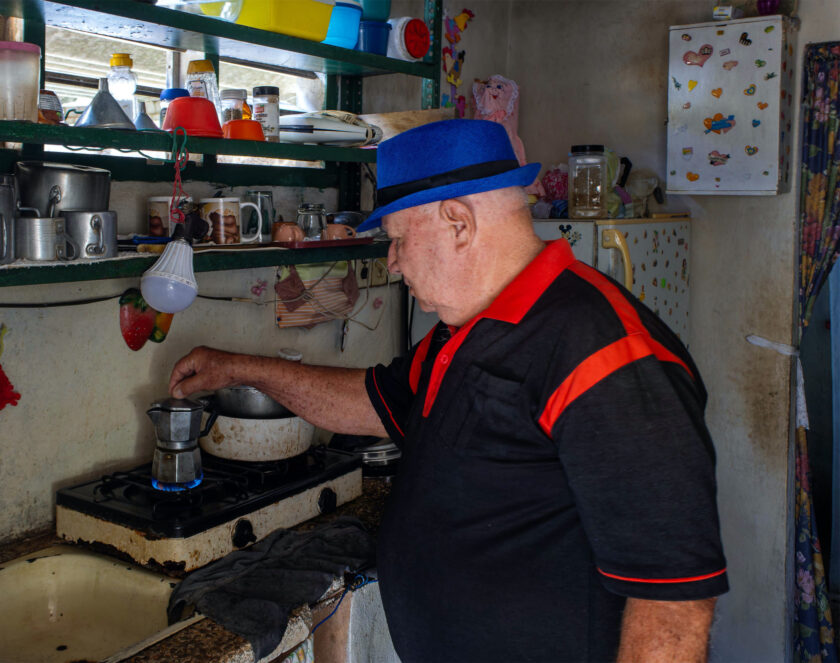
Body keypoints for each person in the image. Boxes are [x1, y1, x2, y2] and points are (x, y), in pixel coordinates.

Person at [169, 119, 728, 663]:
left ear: (458, 222)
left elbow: (672, 603)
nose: (390, 261)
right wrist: (239, 368)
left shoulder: (607, 356)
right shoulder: (460, 332)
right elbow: (368, 402)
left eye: (396, 239)